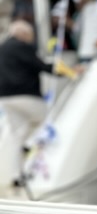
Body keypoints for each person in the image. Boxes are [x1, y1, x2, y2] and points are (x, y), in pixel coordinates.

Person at [0, 20, 73, 185]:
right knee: (48, 120)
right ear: (24, 34)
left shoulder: (2, 48)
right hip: (25, 94)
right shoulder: (22, 47)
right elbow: (39, 65)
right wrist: (68, 72)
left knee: (17, 134)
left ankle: (16, 176)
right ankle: (30, 144)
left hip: (4, 97)